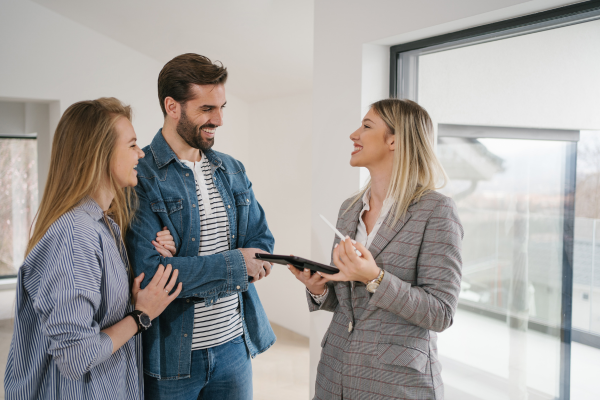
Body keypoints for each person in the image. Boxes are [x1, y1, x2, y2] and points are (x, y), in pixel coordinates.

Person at [4, 98, 182, 400]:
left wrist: (132, 298)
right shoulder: (75, 235)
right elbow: (77, 356)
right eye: (132, 145)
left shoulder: (104, 225)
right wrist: (140, 316)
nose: (140, 153)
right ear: (101, 154)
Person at [290, 99, 464, 400]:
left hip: (395, 385)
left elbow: (440, 313)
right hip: (335, 376)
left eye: (366, 126)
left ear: (394, 140)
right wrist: (319, 289)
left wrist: (376, 277)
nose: (353, 135)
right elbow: (348, 303)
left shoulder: (436, 210)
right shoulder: (349, 209)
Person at [126, 53, 275, 400]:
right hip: (172, 357)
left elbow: (262, 243)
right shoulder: (141, 175)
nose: (219, 119)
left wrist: (184, 266)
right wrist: (238, 263)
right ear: (172, 106)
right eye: (207, 108)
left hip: (235, 347)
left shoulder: (232, 169)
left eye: (222, 107)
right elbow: (151, 276)